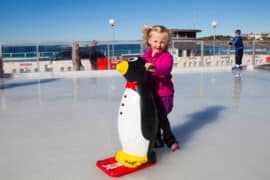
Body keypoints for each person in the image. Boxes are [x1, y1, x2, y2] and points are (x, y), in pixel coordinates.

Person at [142, 25, 179, 152]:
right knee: (153, 118)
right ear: (149, 41)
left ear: (167, 43)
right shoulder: (145, 56)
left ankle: (170, 139)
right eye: (155, 41)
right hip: (150, 93)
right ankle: (156, 138)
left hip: (164, 94)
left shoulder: (167, 57)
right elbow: (140, 67)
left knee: (162, 118)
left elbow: (164, 69)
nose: (158, 45)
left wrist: (152, 67)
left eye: (162, 42)